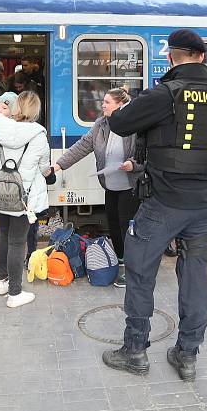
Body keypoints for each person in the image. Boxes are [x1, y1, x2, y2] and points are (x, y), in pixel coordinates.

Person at [101, 29, 207, 380]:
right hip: (201, 208)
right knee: (195, 277)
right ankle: (187, 355)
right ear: (202, 58)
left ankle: (135, 351)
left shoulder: (164, 93)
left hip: (161, 204)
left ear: (170, 58)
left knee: (139, 272)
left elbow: (118, 122)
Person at [49, 87, 142, 287]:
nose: (103, 105)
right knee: (115, 226)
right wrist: (57, 166)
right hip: (110, 185)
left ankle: (134, 272)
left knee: (129, 228)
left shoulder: (134, 126)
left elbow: (146, 155)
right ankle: (120, 262)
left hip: (130, 185)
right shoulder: (101, 125)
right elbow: (82, 147)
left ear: (120, 105)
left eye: (107, 102)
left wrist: (132, 165)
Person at [0, 91, 51, 308]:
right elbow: (44, 168)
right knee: (18, 241)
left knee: (3, 235)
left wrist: (1, 173)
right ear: (35, 110)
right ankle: (15, 294)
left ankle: (2, 282)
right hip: (23, 196)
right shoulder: (38, 135)